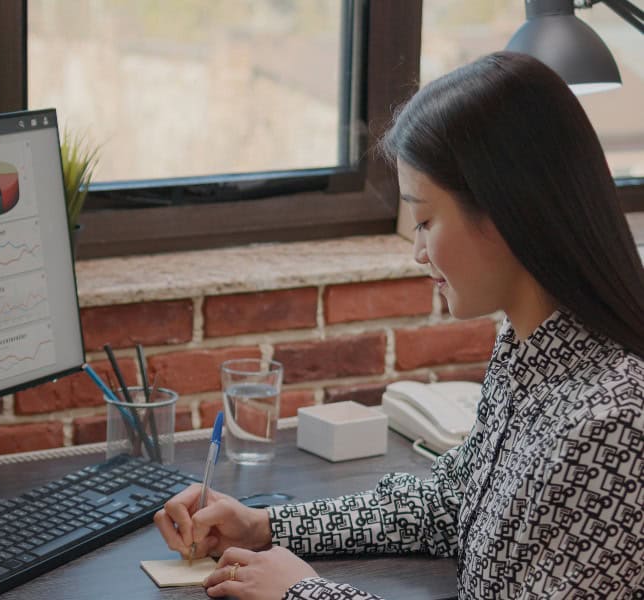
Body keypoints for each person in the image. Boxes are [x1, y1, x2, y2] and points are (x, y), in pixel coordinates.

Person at [154, 51, 644, 600]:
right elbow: (452, 502)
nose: (416, 251)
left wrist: (307, 595)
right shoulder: (527, 347)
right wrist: (265, 526)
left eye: (426, 220)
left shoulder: (614, 424)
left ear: (508, 211)